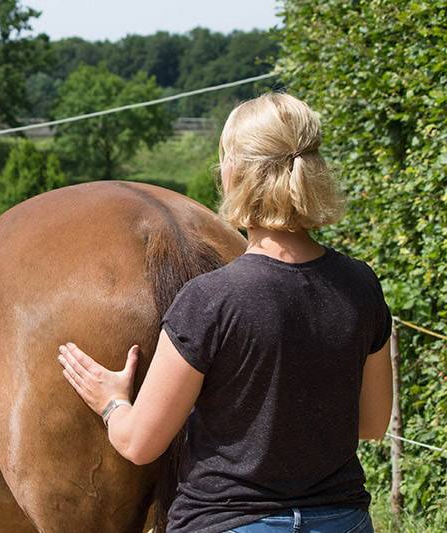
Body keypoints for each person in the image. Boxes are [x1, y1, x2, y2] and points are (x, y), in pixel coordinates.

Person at [57, 92, 393, 533]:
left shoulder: (212, 299)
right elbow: (371, 424)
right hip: (343, 521)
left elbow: (139, 444)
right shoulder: (360, 284)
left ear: (234, 174)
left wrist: (112, 403)